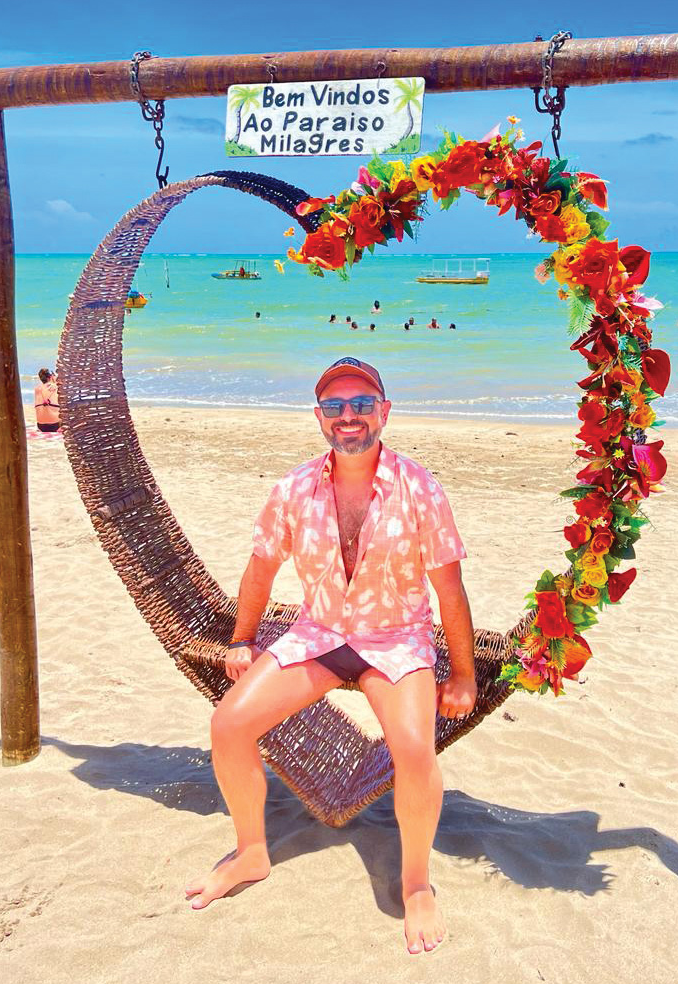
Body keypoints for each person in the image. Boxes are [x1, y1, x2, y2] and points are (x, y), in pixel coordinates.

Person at [185, 357, 476, 955]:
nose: (349, 416)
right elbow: (260, 569)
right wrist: (241, 639)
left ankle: (416, 883)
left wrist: (465, 674)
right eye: (336, 406)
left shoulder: (420, 487)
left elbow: (449, 589)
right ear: (319, 417)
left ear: (384, 412)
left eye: (362, 404)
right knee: (229, 725)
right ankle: (251, 852)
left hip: (397, 637)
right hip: (318, 633)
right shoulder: (293, 489)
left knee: (414, 749)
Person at [33, 368, 60, 432]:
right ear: (50, 377)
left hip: (41, 425)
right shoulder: (56, 387)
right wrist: (56, 382)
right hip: (55, 425)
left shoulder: (37, 389)